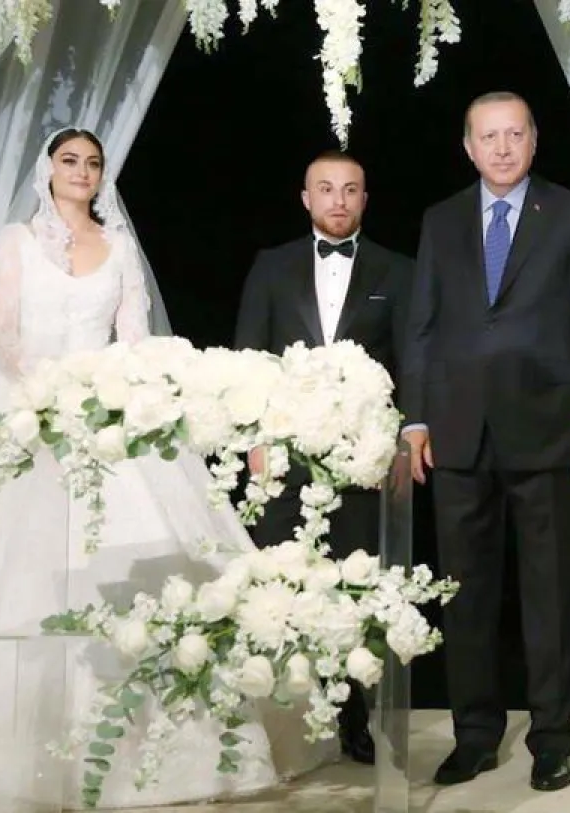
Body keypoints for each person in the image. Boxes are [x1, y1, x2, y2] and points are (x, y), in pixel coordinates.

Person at [0, 128, 316, 811]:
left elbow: (133, 336)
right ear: (48, 169)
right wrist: (48, 394)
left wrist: (120, 394)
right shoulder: (16, 241)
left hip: (106, 412)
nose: (82, 171)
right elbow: (0, 329)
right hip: (26, 401)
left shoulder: (118, 246)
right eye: (70, 161)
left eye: (92, 163)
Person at [402, 90, 570, 792]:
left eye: (514, 134)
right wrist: (415, 418)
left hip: (548, 431)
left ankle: (551, 739)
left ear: (533, 140)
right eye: (488, 136)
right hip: (458, 433)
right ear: (468, 147)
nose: (501, 147)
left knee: (550, 594)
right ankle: (475, 735)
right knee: (464, 595)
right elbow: (422, 325)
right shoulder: (440, 220)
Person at [234, 148, 413, 764]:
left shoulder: (398, 270)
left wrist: (399, 442)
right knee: (281, 583)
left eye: (350, 189)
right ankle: (280, 725)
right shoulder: (272, 265)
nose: (339, 199)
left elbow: (411, 363)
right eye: (326, 188)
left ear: (365, 198)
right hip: (285, 454)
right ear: (306, 197)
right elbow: (250, 355)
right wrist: (255, 440)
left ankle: (354, 720)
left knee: (353, 587)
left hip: (361, 458)